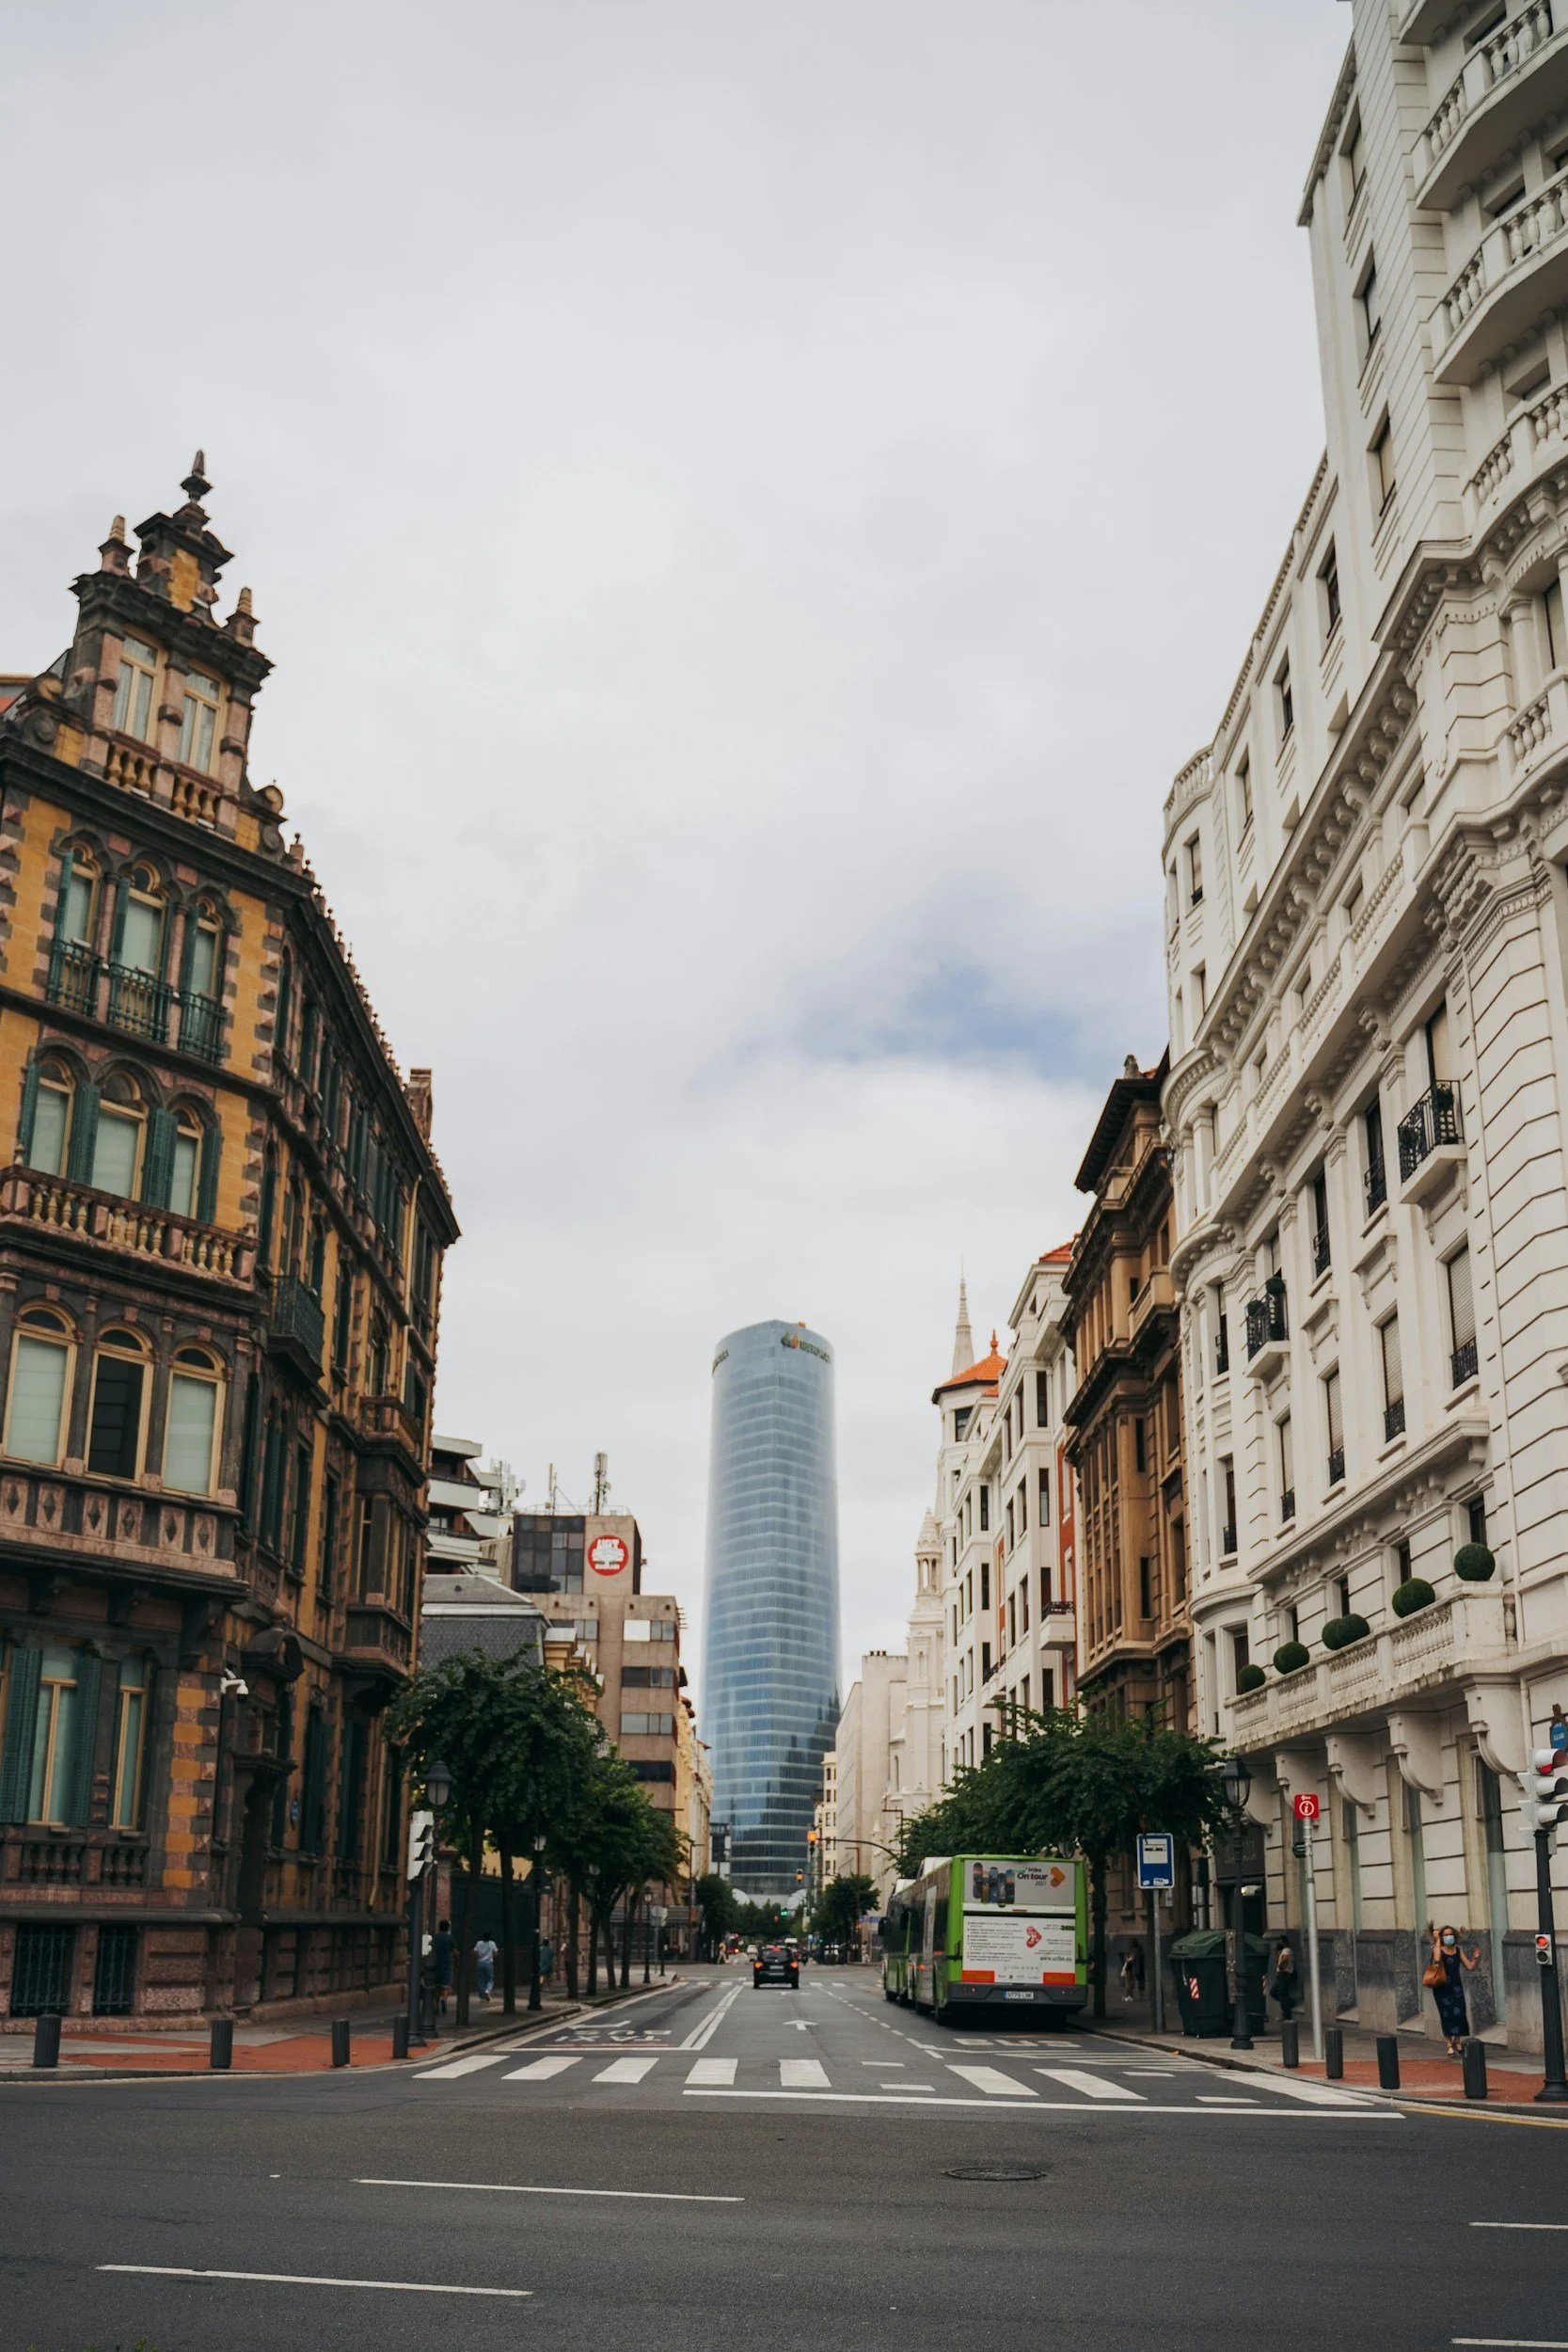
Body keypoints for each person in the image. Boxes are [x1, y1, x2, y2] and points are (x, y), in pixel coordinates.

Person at [1426, 1922, 1481, 2057]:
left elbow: (1470, 1967)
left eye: (1451, 1934)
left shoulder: (1458, 1950)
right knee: (1447, 2014)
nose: (1449, 1937)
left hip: (1456, 1986)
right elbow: (1437, 1959)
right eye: (1446, 1935)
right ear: (1441, 1937)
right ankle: (1449, 2044)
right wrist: (1437, 1940)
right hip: (1442, 1986)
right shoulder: (1438, 1949)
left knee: (1460, 2013)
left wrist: (1476, 1958)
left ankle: (1458, 2041)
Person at [1269, 1937, 1299, 2021]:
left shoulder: (1286, 1950)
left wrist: (1280, 1966)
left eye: (1280, 1941)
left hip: (1284, 1974)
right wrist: (1277, 1953)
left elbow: (1285, 1959)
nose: (1278, 1943)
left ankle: (1287, 2015)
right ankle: (1289, 2003)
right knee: (1274, 1992)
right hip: (1282, 1974)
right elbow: (1277, 1961)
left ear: (1284, 1942)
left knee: (1282, 1994)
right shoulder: (1283, 1951)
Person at [433, 1917, 456, 2015]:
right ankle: (444, 1998)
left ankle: (437, 2005)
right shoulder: (450, 1938)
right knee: (445, 1986)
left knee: (436, 1986)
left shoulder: (435, 1937)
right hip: (446, 1964)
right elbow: (455, 1952)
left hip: (435, 1964)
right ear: (448, 1928)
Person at [473, 1933, 499, 2004]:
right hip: (489, 1963)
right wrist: (491, 1956)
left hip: (480, 1963)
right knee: (490, 1979)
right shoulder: (492, 1943)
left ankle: (482, 1998)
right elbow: (496, 1953)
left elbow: (475, 1953)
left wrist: (478, 1957)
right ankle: (487, 1990)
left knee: (480, 1981)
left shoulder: (478, 1943)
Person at [1119, 1938, 1146, 2002]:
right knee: (1129, 1983)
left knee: (1128, 1983)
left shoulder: (1133, 1950)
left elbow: (1132, 1958)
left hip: (1129, 1967)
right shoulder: (1137, 1950)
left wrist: (1127, 1959)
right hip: (1131, 1967)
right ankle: (1129, 1996)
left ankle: (1128, 1996)